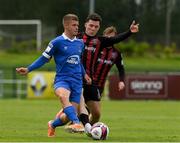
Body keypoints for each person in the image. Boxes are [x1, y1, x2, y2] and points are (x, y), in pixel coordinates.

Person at [56, 13, 139, 134]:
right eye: (91, 25)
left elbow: (115, 39)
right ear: (85, 25)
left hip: (91, 81)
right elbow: (61, 46)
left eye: (96, 26)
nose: (93, 28)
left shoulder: (100, 41)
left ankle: (64, 119)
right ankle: (86, 129)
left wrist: (130, 32)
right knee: (79, 109)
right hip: (76, 79)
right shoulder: (76, 38)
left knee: (96, 114)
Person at [16, 13, 91, 137]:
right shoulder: (56, 42)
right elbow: (43, 58)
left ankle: (52, 124)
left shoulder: (80, 43)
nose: (77, 27)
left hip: (77, 82)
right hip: (62, 80)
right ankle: (77, 122)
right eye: (74, 25)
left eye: (77, 25)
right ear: (66, 26)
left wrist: (85, 74)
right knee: (63, 96)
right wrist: (29, 69)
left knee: (66, 117)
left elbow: (79, 61)